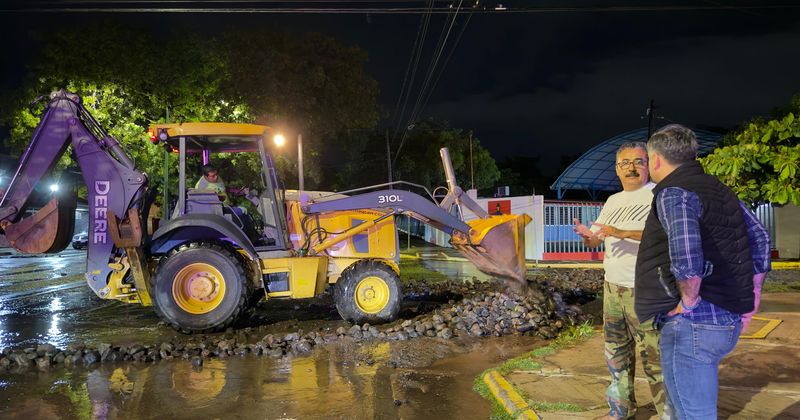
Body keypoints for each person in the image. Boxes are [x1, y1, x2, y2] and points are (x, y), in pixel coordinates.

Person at [634, 124, 771, 419]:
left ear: (656, 159)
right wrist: (752, 297)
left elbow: (686, 254)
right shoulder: (719, 189)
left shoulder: (673, 192)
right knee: (690, 409)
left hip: (693, 325)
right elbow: (760, 238)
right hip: (727, 319)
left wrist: (689, 301)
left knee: (692, 414)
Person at [573, 142, 667, 420]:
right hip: (612, 287)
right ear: (616, 170)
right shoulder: (612, 201)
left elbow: (662, 236)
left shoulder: (658, 195)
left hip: (646, 288)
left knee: (655, 358)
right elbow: (596, 239)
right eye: (624, 163)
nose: (631, 167)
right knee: (616, 353)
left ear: (648, 165)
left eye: (638, 161)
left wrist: (621, 231)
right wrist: (587, 235)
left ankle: (669, 413)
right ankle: (621, 410)